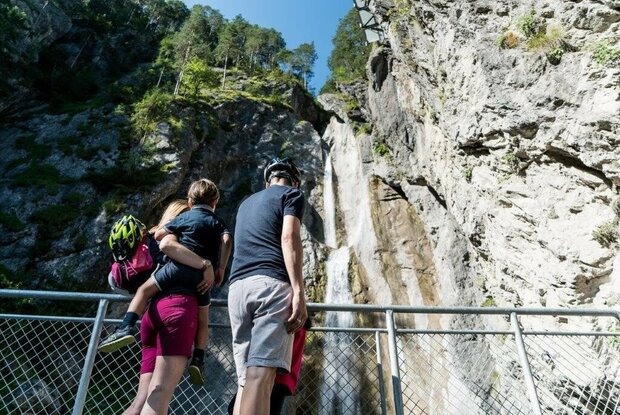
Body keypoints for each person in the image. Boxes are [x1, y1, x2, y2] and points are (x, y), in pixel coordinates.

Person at [100, 179, 232, 385]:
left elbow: (161, 236)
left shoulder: (185, 217)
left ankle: (125, 327)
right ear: (215, 201)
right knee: (203, 318)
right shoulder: (218, 223)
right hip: (201, 280)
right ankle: (199, 357)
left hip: (175, 272)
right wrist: (220, 268)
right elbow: (227, 240)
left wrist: (169, 231)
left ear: (190, 202)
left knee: (144, 291)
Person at [121, 198, 227, 415]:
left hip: (151, 315)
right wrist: (207, 264)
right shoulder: (186, 252)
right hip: (177, 313)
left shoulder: (155, 241)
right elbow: (203, 316)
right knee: (160, 393)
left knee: (141, 401)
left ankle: (124, 327)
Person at [228, 157, 308, 415]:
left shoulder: (245, 204)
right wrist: (298, 291)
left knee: (245, 380)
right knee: (261, 377)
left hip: (238, 289)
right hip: (271, 287)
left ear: (267, 183)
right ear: (295, 182)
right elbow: (289, 236)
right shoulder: (292, 195)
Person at [227, 317, 312, 415]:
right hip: (283, 378)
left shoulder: (288, 318)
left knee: (236, 407)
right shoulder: (301, 320)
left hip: (272, 375)